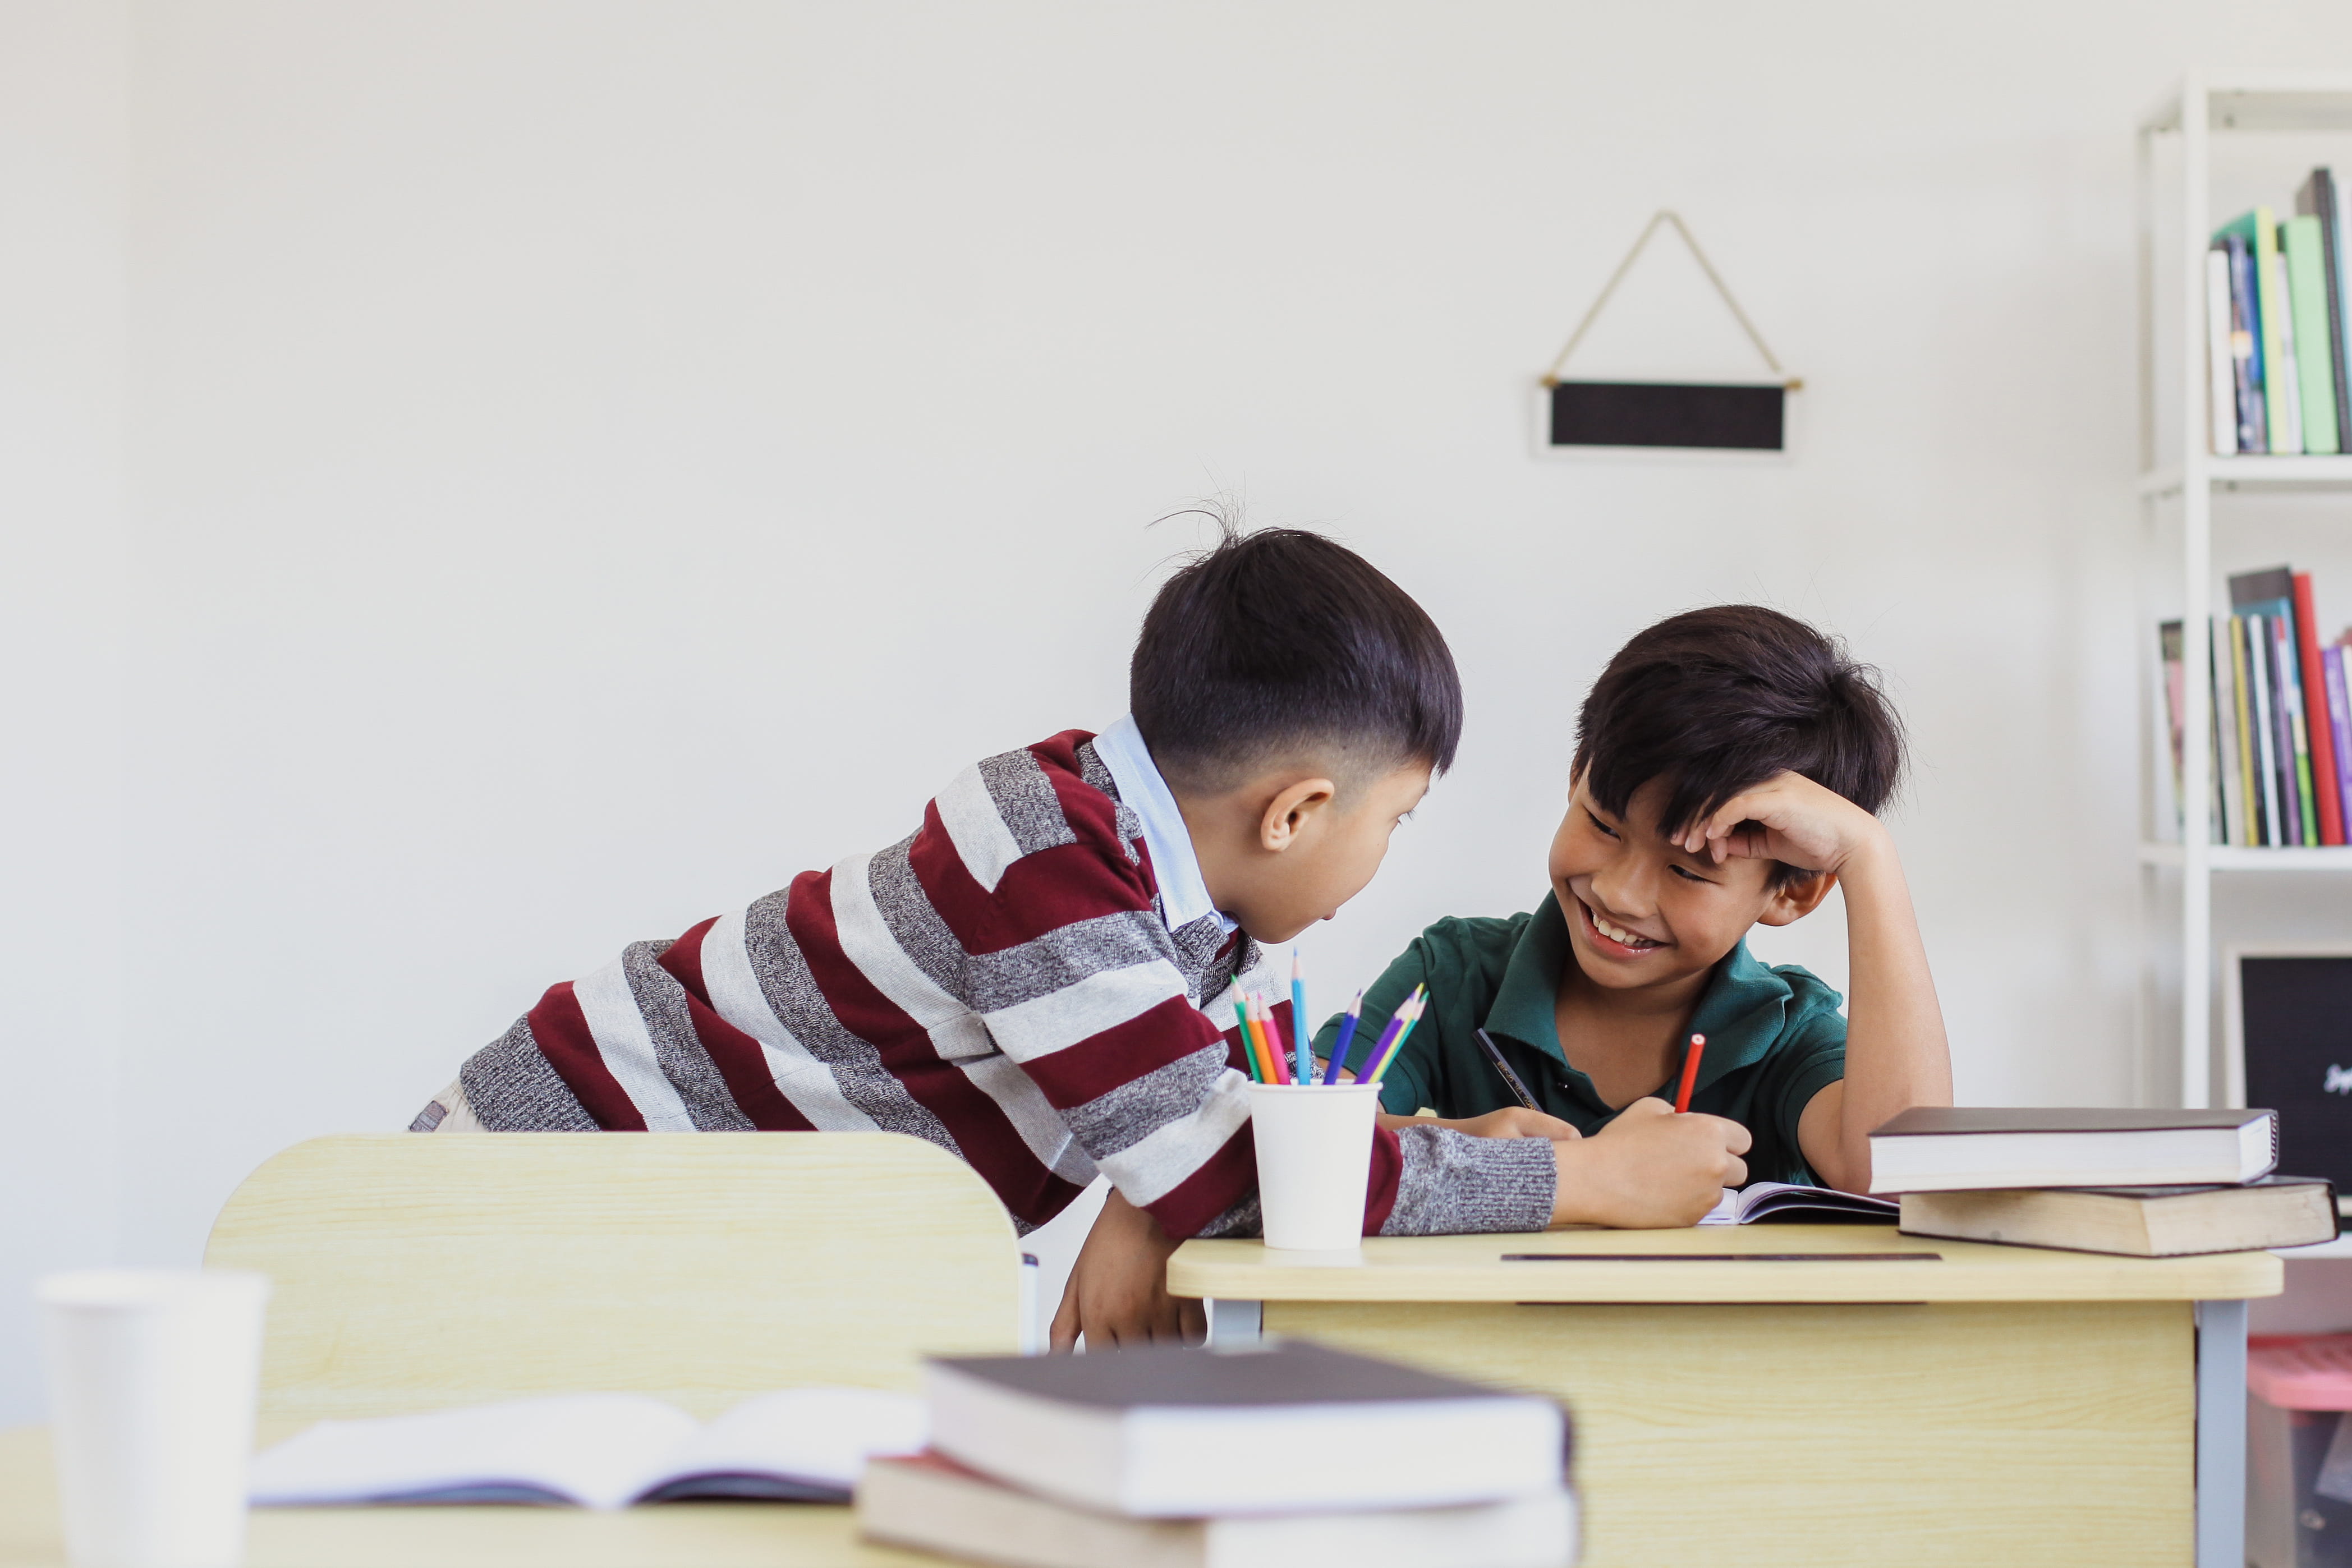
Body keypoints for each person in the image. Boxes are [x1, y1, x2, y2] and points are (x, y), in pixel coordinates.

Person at [411, 522, 1749, 1348]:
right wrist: (1582, 1182)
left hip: (694, 1234)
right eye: (1394, 819)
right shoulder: (1045, 861)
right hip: (544, 1186)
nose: (1388, 853)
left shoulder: (1147, 888)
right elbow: (1215, 1165)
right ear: (1295, 810)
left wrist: (1464, 1148)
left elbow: (1192, 1133)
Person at [1323, 604, 1951, 1207]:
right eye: (1603, 825)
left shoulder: (1784, 1032)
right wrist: (1476, 1149)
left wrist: (1867, 855)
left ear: (1793, 891)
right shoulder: (1454, 973)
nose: (1619, 892)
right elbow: (1295, 1140)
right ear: (1577, 775)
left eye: (1687, 870)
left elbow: (1904, 1178)